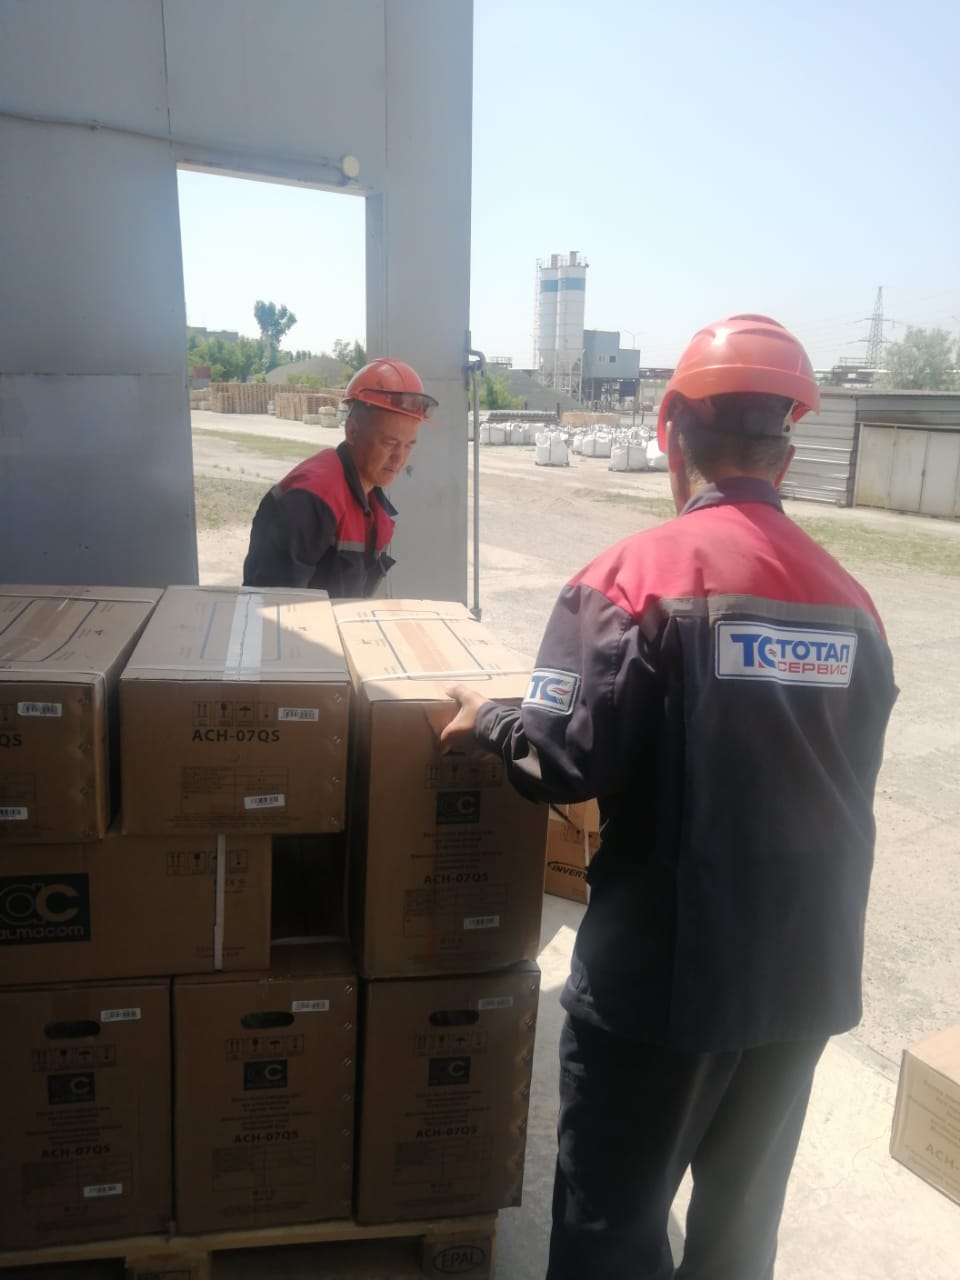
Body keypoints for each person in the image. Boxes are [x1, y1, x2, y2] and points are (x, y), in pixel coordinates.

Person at [441, 314, 897, 1280]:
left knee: (613, 1226)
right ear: (786, 452)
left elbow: (562, 764)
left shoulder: (631, 580)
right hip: (807, 974)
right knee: (738, 1236)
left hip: (665, 982)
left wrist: (490, 720)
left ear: (670, 437)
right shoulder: (855, 604)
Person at [242, 358, 437, 597]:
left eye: (409, 445)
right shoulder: (313, 499)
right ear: (352, 431)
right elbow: (274, 607)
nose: (399, 458)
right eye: (390, 443)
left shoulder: (368, 499)